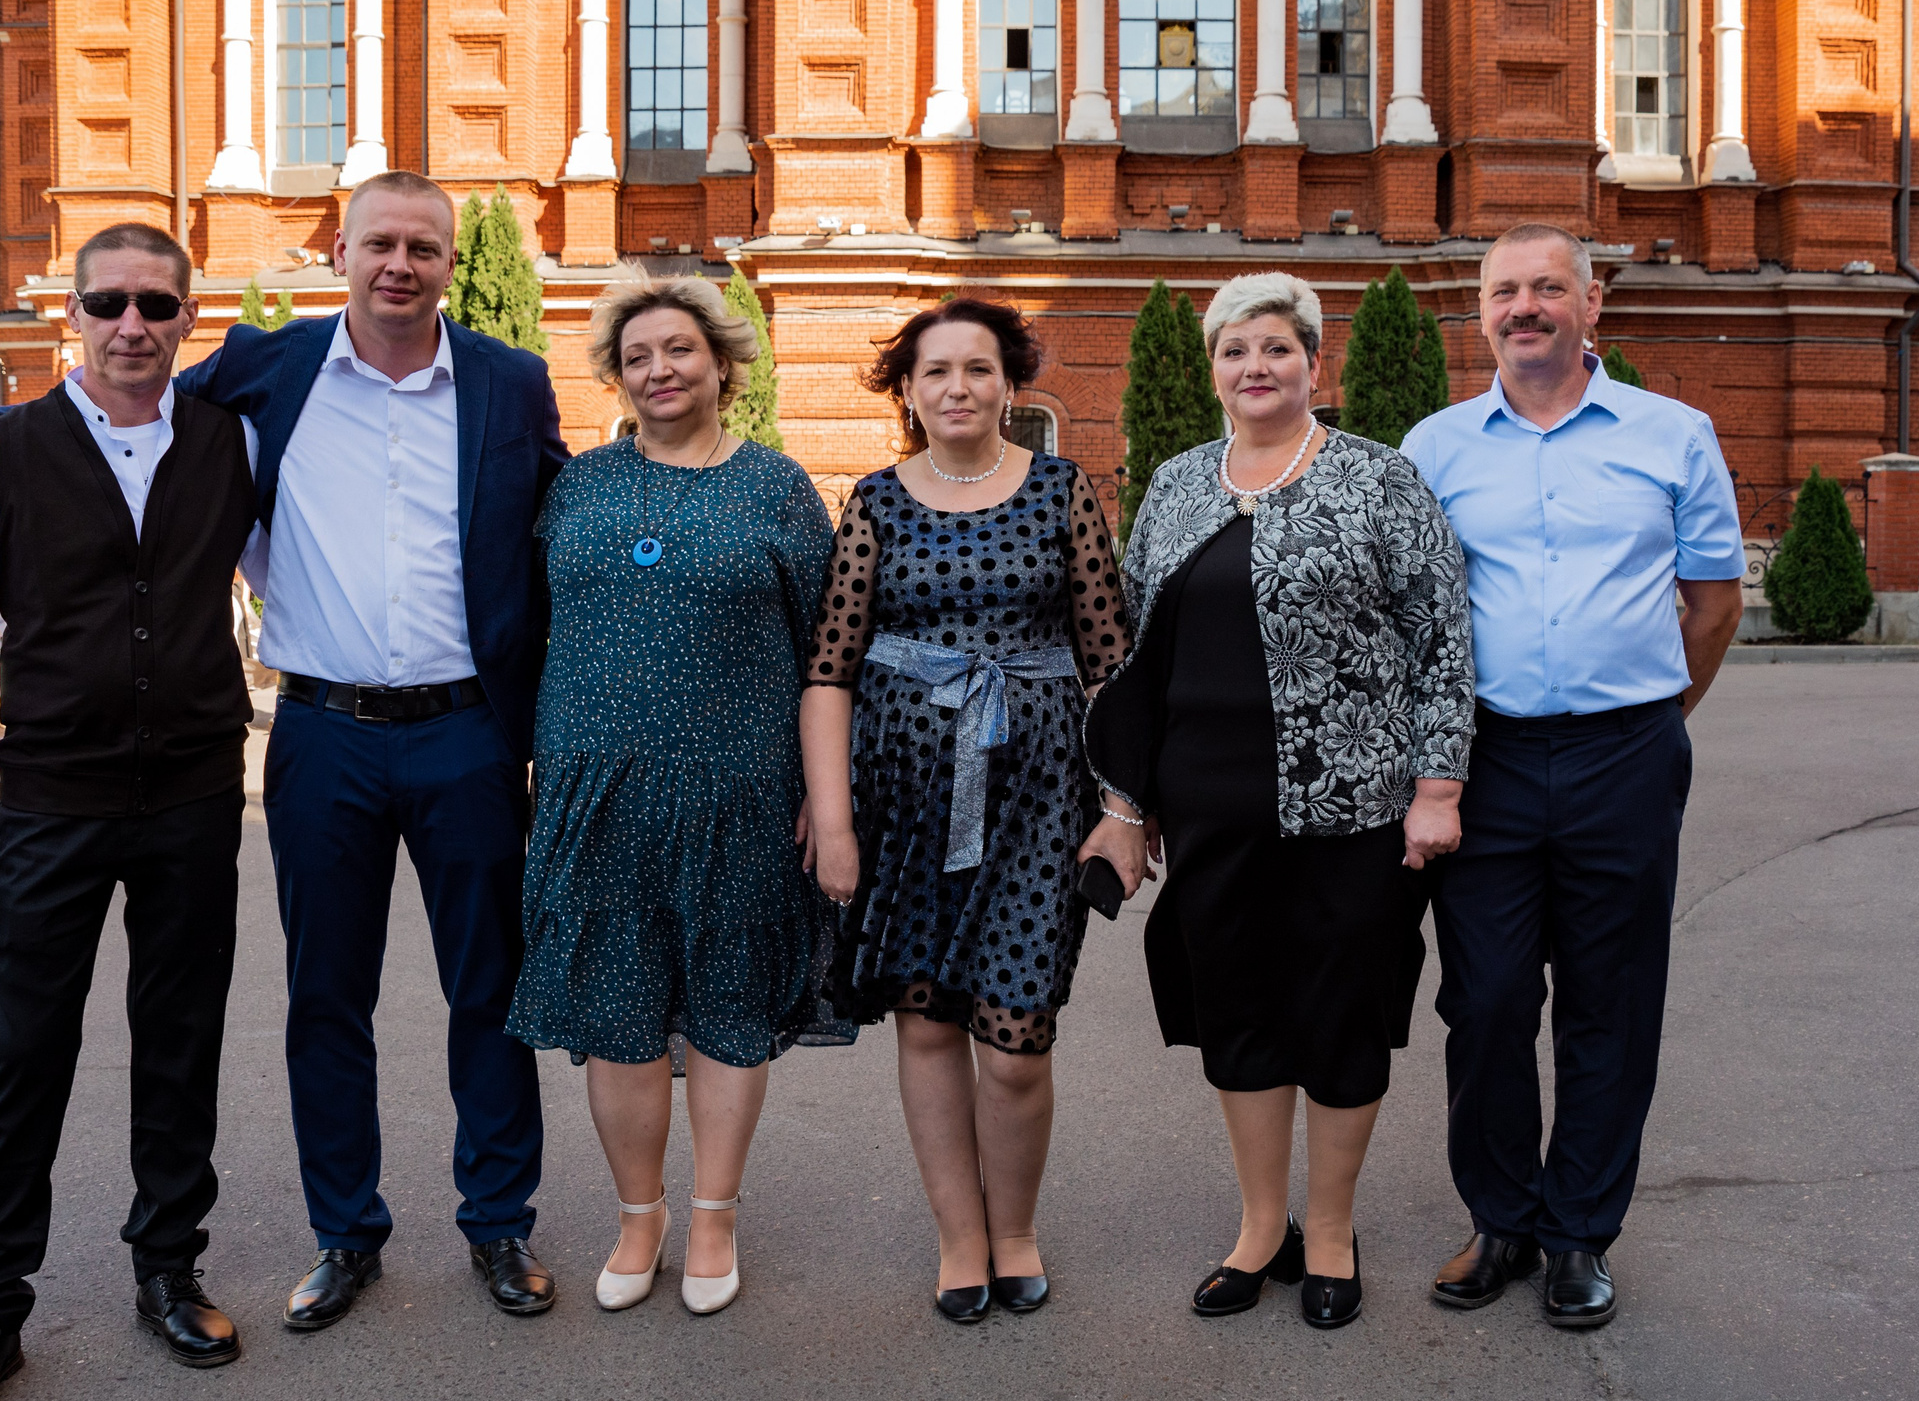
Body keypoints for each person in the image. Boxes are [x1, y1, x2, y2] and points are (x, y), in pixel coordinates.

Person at [0, 170, 570, 1326]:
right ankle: (345, 1231)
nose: (399, 264)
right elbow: (119, 398)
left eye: (423, 245)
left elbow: (554, 525)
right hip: (322, 734)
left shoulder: (512, 384)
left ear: (450, 261)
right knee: (326, 996)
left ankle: (498, 1221)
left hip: (467, 731)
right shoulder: (276, 367)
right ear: (342, 254)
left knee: (491, 991)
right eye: (379, 243)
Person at [0, 222, 263, 1401]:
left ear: (186, 322)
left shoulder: (231, 442)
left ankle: (168, 1265)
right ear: (71, 313)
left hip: (196, 796)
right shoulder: (2, 453)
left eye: (157, 305)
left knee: (181, 1040)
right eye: (107, 301)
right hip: (51, 798)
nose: (131, 324)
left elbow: (292, 585)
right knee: (23, 1055)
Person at [1082, 272, 1473, 1329]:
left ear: (1313, 362)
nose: (1255, 367)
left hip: (1356, 801)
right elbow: (1130, 653)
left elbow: (1440, 635)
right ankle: (1262, 1224)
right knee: (1238, 1009)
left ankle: (1333, 1226)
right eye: (1234, 350)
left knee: (1343, 1011)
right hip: (1210, 801)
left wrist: (1438, 785)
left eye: (1277, 348)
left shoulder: (1376, 479)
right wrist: (1126, 801)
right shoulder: (1173, 485)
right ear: (1213, 368)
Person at [1399, 222, 1744, 1329]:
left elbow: (1714, 600)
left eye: (1550, 287)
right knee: (1487, 997)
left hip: (1623, 755)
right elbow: (1408, 614)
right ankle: (1499, 1215)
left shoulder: (1673, 433)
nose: (1525, 307)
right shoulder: (1436, 446)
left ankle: (1578, 1231)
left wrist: (1648, 711)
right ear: (1482, 311)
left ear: (1593, 305)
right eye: (1505, 291)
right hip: (1484, 758)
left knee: (1611, 1001)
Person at [510, 269, 846, 1315]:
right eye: (637, 355)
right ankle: (636, 1215)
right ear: (617, 374)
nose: (658, 369)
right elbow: (532, 626)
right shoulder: (578, 486)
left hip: (740, 791)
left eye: (678, 350)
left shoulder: (777, 488)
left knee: (728, 1009)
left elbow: (827, 653)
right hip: (594, 790)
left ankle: (712, 1214)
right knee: (614, 1012)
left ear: (722, 364)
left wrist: (824, 792)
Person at [800, 298, 1128, 1325]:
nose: (956, 387)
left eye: (977, 369)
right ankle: (958, 1236)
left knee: (1016, 1033)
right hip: (901, 800)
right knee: (928, 1022)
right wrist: (835, 818)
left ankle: (1016, 1225)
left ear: (1008, 383)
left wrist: (1123, 804)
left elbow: (1110, 660)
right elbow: (829, 670)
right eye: (934, 370)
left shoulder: (1061, 490)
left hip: (1036, 802)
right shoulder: (874, 504)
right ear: (905, 390)